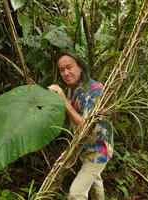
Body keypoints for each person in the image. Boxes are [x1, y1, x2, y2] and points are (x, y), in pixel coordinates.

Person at [48, 52, 114, 200]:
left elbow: (85, 125)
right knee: (95, 181)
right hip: (84, 147)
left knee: (76, 193)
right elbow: (69, 117)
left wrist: (64, 101)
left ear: (81, 68)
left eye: (69, 67)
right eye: (61, 70)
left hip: (98, 149)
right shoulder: (72, 89)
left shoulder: (95, 90)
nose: (66, 73)